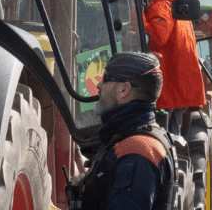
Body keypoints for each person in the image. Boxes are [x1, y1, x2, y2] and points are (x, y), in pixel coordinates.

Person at [75, 52, 176, 210]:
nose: (98, 85)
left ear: (124, 90)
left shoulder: (137, 151)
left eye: (106, 78)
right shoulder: (132, 139)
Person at [143, 0, 206, 135]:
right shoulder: (180, 9)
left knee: (160, 138)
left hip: (167, 91)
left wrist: (139, 18)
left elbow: (156, 38)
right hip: (181, 90)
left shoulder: (161, 6)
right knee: (175, 139)